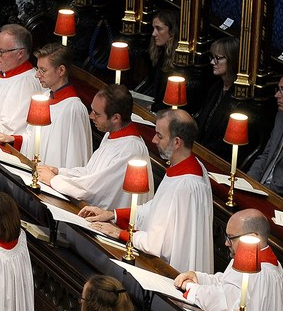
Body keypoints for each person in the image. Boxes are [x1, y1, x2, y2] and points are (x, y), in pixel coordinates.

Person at [82, 109, 213, 273]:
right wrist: (113, 214)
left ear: (177, 142)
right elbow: (155, 209)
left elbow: (155, 244)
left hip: (172, 271)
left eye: (160, 135)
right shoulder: (188, 166)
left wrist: (119, 233)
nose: (154, 139)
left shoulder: (185, 185)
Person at [37, 83, 154, 208]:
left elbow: (93, 190)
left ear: (115, 118)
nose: (91, 116)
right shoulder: (112, 134)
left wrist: (53, 180)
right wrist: (59, 171)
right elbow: (90, 172)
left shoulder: (130, 150)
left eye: (97, 113)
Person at [174, 209, 283, 311]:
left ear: (252, 237)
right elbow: (226, 282)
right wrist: (197, 277)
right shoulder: (265, 260)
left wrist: (189, 285)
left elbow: (217, 301)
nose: (226, 243)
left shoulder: (254, 271)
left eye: (231, 238)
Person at [0, 43, 91, 169]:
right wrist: (12, 139)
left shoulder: (74, 109)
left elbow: (76, 159)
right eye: (38, 69)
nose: (37, 75)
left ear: (61, 70)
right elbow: (33, 139)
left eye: (43, 70)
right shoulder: (44, 96)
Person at [247, 72, 283, 196]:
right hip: (260, 187)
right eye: (278, 89)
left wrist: (264, 191)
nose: (277, 95)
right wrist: (249, 181)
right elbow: (266, 154)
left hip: (280, 196)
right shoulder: (281, 116)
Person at [194, 36, 245, 158]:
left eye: (217, 58)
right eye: (212, 57)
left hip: (217, 157)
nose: (212, 62)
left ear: (232, 60)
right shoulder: (216, 88)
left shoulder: (238, 98)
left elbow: (225, 142)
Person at [137, 10, 178, 111]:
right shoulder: (160, 54)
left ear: (172, 32)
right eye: (153, 29)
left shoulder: (178, 61)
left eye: (159, 29)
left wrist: (153, 108)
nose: (153, 34)